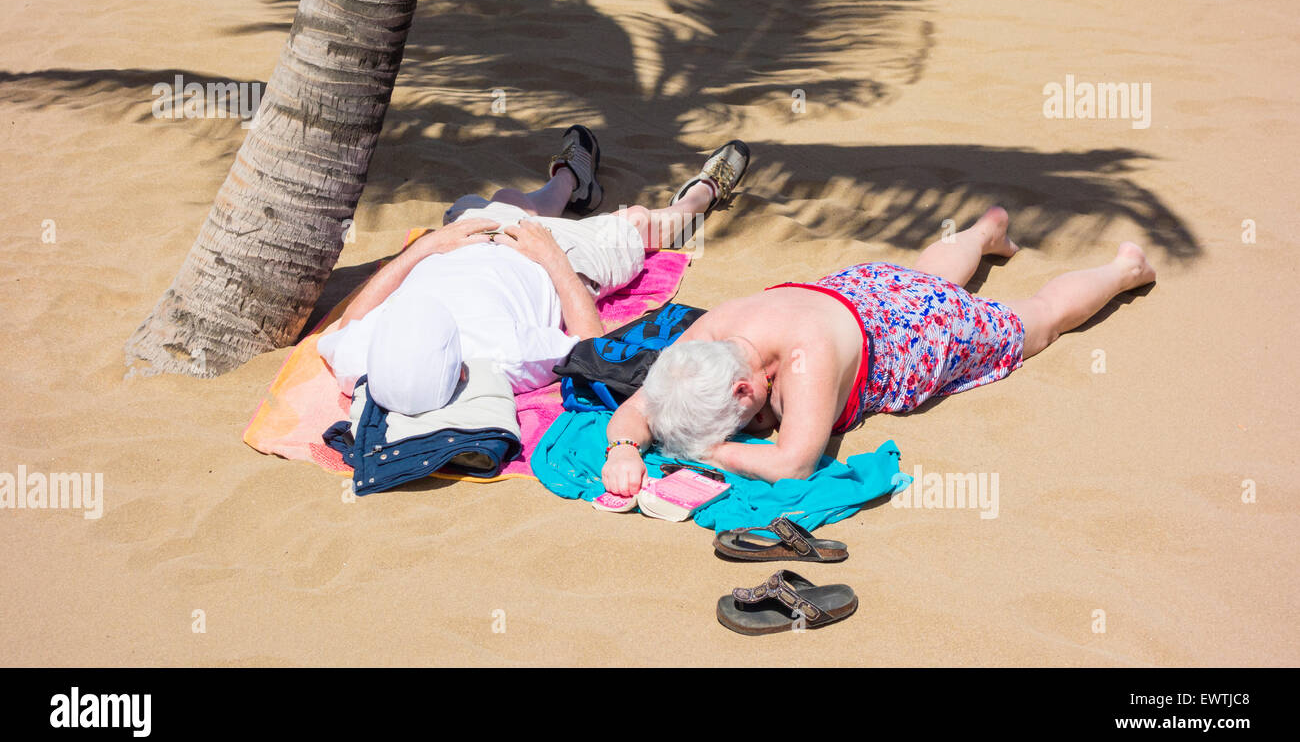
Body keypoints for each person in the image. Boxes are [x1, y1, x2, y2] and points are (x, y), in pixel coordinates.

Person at [601, 206, 1156, 491]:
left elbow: (793, 464)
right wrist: (625, 446)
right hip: (867, 287)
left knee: (1037, 320)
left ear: (745, 388)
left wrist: (706, 452)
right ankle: (983, 233)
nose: (744, 430)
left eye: (736, 422)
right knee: (923, 274)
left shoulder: (805, 359)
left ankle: (1123, 268)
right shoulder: (713, 336)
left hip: (923, 330)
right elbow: (646, 404)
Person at [317, 127, 751, 416]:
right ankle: (699, 196)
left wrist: (427, 246)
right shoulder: (506, 354)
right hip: (554, 260)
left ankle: (570, 181)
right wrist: (552, 258)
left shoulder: (365, 361)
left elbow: (349, 321)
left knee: (507, 196)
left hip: (464, 241)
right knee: (638, 221)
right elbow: (590, 346)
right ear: (462, 371)